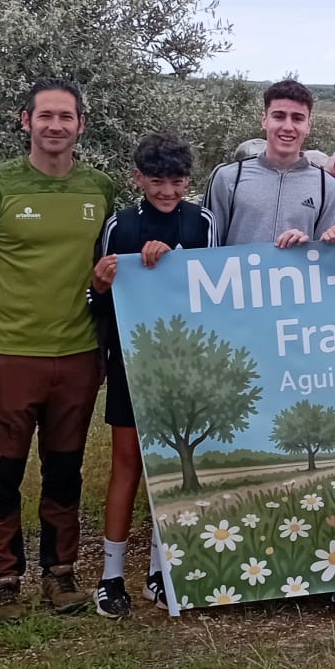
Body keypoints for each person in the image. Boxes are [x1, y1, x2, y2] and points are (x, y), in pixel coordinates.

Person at [0, 78, 115, 619]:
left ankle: (60, 574)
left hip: (77, 353)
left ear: (81, 125)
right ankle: (2, 579)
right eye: (44, 116)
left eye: (65, 117)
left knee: (65, 469)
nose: (55, 126)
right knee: (2, 471)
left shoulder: (100, 187)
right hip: (10, 352)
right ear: (25, 121)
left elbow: (108, 272)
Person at [88, 132, 210, 618]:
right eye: (156, 181)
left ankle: (162, 574)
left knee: (175, 467)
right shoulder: (119, 226)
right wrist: (99, 283)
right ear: (138, 178)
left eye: (177, 182)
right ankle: (110, 577)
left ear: (188, 181)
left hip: (186, 363)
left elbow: (212, 292)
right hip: (131, 362)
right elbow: (98, 301)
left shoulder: (203, 222)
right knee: (127, 465)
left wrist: (172, 264)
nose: (167, 191)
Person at [203, 80, 335, 248]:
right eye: (279, 116)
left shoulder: (328, 186)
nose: (288, 126)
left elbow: (324, 256)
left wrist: (305, 245)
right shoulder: (228, 177)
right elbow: (208, 250)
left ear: (308, 126)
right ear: (264, 120)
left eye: (298, 118)